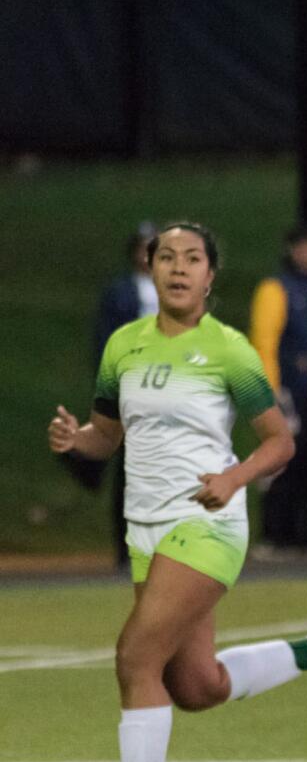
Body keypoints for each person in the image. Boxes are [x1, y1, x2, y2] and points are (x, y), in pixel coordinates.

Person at [48, 222, 307, 762]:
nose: (178, 267)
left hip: (205, 523)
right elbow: (107, 435)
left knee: (134, 658)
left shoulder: (228, 348)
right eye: (166, 257)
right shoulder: (123, 345)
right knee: (198, 687)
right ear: (150, 268)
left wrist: (234, 477)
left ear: (209, 275)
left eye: (191, 258)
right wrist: (78, 441)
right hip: (145, 531)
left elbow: (280, 442)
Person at [71, 222, 159, 570]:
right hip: (132, 387)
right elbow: (105, 342)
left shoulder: (173, 288)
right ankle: (127, 547)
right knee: (129, 470)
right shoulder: (120, 292)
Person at [249, 224, 307, 549]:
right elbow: (264, 342)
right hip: (287, 391)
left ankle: (303, 533)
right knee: (280, 461)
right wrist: (271, 390)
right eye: (303, 247)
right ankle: (273, 533)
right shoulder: (275, 289)